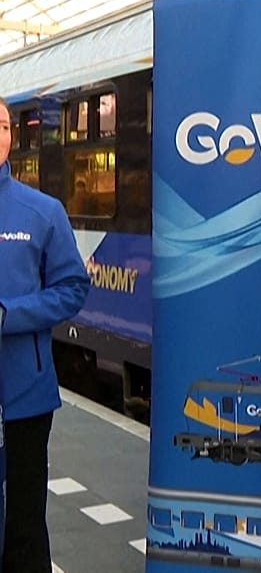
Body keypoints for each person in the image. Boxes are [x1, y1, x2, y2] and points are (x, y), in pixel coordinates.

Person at [0, 96, 90, 571]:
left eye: (0, 125)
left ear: (11, 135)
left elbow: (73, 287)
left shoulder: (41, 212)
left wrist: (8, 315)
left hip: (24, 400)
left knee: (24, 525)